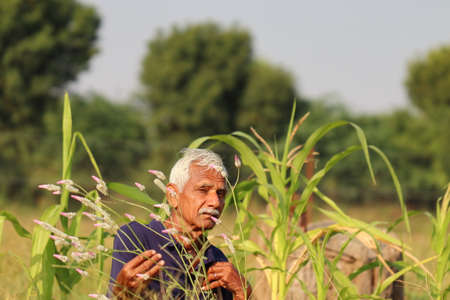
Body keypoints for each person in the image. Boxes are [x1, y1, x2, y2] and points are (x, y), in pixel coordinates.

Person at [110, 149, 252, 300]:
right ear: (173, 196)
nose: (215, 202)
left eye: (221, 194)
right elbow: (122, 295)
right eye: (203, 190)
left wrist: (243, 293)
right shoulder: (137, 238)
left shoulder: (216, 259)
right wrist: (120, 294)